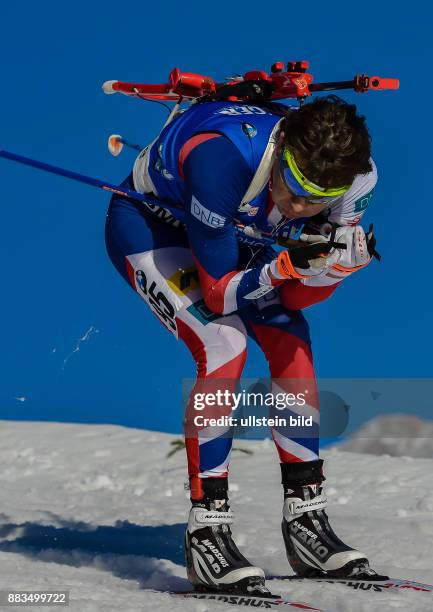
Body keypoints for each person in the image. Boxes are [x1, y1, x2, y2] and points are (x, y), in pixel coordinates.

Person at [105, 94, 378, 593]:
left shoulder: (357, 179)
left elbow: (295, 296)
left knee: (290, 337)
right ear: (283, 153)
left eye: (316, 198)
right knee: (223, 340)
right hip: (156, 227)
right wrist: (286, 266)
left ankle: (306, 519)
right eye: (293, 187)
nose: (299, 207)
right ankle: (207, 527)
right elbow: (219, 292)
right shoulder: (220, 158)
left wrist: (329, 272)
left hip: (242, 234)